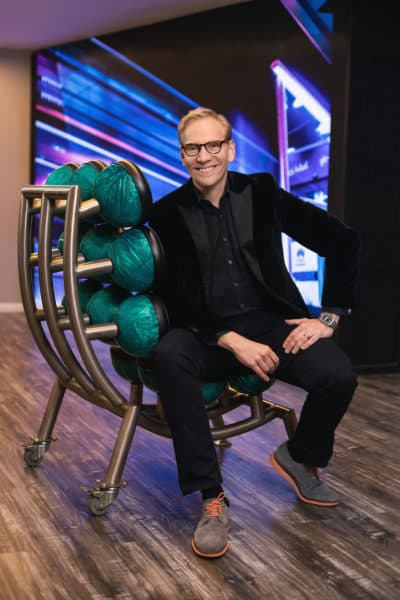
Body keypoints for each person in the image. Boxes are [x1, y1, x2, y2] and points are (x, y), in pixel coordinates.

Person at [148, 107, 360, 559]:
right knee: (170, 355)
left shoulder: (260, 192)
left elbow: (342, 239)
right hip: (209, 332)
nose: (203, 156)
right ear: (182, 154)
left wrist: (330, 316)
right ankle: (212, 497)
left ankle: (299, 456)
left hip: (270, 322)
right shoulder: (166, 213)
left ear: (230, 149)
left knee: (338, 375)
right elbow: (174, 296)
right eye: (193, 148)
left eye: (212, 146)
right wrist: (228, 339)